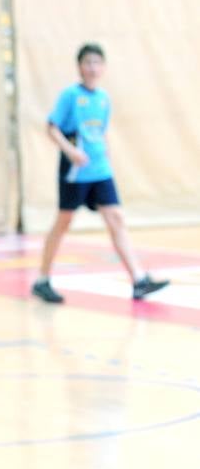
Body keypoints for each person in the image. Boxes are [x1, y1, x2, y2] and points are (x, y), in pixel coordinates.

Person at [32, 44, 168, 304]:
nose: (93, 67)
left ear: (103, 67)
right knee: (64, 222)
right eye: (88, 62)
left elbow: (101, 133)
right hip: (75, 170)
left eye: (97, 62)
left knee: (115, 216)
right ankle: (42, 279)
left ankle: (139, 280)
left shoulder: (103, 99)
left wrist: (107, 156)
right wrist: (70, 151)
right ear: (80, 67)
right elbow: (51, 127)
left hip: (100, 170)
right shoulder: (70, 96)